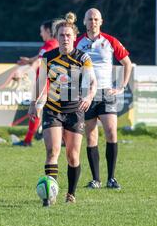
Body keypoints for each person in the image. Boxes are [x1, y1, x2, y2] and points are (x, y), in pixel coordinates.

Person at [29, 12, 97, 206]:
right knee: (52, 151)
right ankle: (50, 195)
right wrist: (34, 103)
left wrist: (90, 96)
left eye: (68, 35)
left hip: (75, 110)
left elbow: (92, 82)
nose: (65, 38)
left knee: (73, 155)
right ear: (56, 37)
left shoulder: (83, 58)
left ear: (75, 37)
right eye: (61, 35)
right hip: (53, 109)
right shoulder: (47, 57)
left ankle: (71, 193)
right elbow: (40, 82)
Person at [75, 8, 132, 190]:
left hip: (106, 94)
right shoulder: (78, 42)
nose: (93, 22)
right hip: (86, 95)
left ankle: (112, 178)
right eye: (90, 19)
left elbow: (127, 63)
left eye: (96, 19)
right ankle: (96, 179)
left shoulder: (110, 41)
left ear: (101, 21)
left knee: (111, 132)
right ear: (84, 22)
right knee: (91, 136)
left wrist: (121, 86)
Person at [13, 19, 59, 147]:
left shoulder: (50, 45)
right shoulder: (53, 44)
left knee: (35, 111)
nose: (41, 34)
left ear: (49, 31)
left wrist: (25, 72)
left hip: (45, 83)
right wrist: (28, 61)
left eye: (42, 31)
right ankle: (49, 136)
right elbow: (38, 57)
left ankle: (28, 140)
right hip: (51, 83)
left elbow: (40, 61)